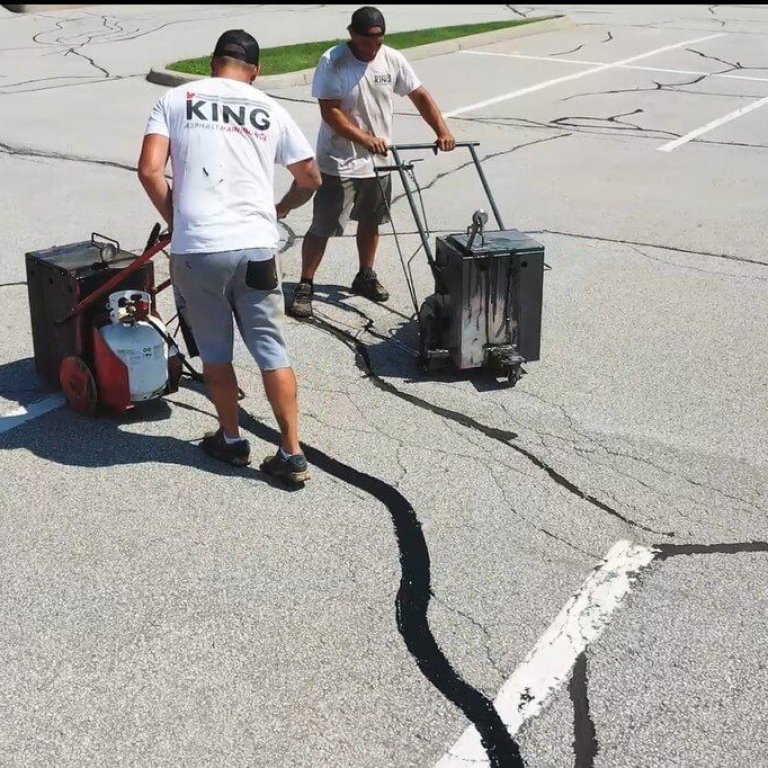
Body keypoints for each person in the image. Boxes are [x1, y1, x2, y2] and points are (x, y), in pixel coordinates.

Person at [138, 29, 322, 484]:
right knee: (271, 350)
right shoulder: (270, 109)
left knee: (216, 351)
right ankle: (292, 453)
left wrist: (175, 215)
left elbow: (149, 170)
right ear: (255, 73)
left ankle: (232, 439)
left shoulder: (176, 100)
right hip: (257, 246)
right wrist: (280, 208)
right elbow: (312, 177)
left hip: (199, 248)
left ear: (211, 62)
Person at [286, 5, 456, 319]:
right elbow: (330, 111)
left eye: (379, 38)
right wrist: (366, 139)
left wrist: (442, 130)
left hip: (377, 164)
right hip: (338, 162)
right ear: (352, 33)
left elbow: (418, 94)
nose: (373, 46)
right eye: (367, 39)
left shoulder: (391, 58)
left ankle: (365, 274)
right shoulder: (333, 61)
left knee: (371, 221)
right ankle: (305, 284)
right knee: (322, 226)